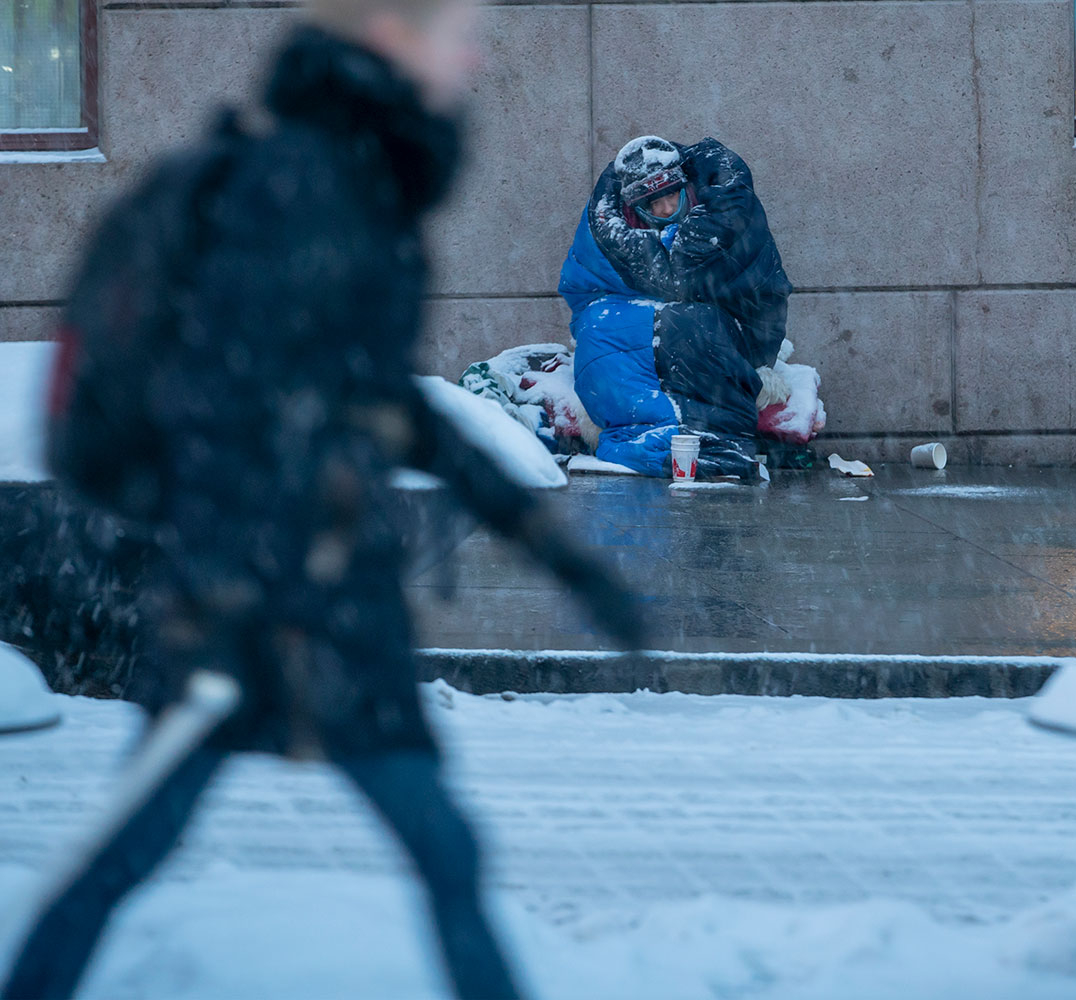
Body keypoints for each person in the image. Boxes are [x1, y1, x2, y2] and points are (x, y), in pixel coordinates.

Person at [1, 0, 643, 996]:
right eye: (455, 32)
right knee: (129, 859)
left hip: (311, 604)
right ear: (389, 37)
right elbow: (237, 406)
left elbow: (377, 400)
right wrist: (243, 577)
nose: (475, 53)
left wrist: (559, 555)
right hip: (252, 606)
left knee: (434, 852)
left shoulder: (359, 181)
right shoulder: (302, 184)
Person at [558, 135, 793, 478]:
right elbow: (586, 291)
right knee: (601, 329)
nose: (666, 209)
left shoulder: (728, 214)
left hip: (717, 323)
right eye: (652, 204)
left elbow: (763, 292)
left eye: (672, 195)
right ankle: (656, 439)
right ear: (631, 208)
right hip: (630, 316)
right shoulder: (605, 226)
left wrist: (758, 356)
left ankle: (709, 437)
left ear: (686, 185)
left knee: (692, 326)